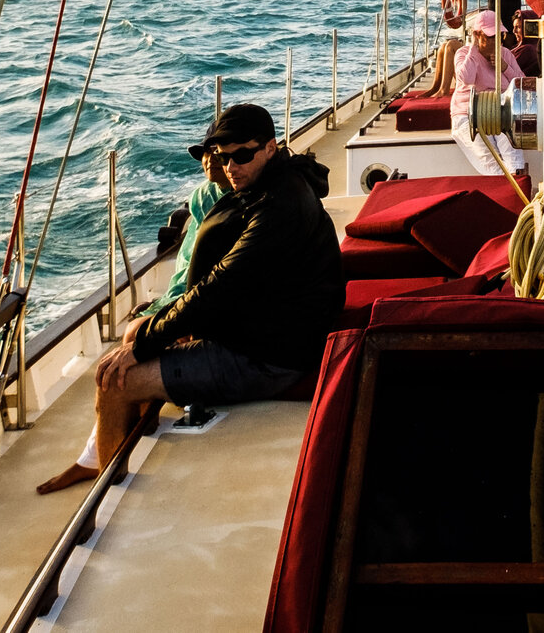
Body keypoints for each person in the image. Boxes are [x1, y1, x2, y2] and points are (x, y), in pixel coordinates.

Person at [38, 104, 340, 494]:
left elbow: (220, 285)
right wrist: (160, 333)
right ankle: (115, 446)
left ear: (270, 147)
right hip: (273, 332)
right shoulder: (277, 183)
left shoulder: (279, 207)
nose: (230, 167)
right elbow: (233, 288)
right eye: (224, 157)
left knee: (115, 380)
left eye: (242, 155)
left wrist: (148, 344)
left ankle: (104, 495)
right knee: (137, 336)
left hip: (271, 358)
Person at [450, 9, 528, 178]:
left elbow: (523, 85)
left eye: (499, 35)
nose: (496, 41)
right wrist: (473, 48)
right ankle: (509, 188)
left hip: (501, 111)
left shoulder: (505, 54)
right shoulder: (463, 54)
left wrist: (504, 67)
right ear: (478, 35)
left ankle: (518, 182)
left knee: (513, 152)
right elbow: (466, 79)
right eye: (491, 36)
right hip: (468, 113)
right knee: (491, 159)